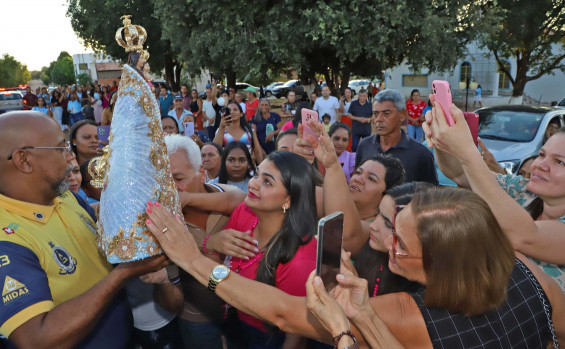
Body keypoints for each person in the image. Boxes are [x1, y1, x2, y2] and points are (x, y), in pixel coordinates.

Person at [0, 111, 167, 348]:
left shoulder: (65, 196)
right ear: (24, 160)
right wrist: (124, 274)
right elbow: (35, 339)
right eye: (59, 149)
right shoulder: (7, 239)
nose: (70, 157)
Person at [424, 100, 565, 292]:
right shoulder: (523, 191)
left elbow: (523, 235)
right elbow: (460, 174)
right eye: (541, 155)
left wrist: (468, 152)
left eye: (559, 162)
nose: (540, 165)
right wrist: (443, 141)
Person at [143, 134, 245, 349]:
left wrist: (189, 200)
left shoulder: (228, 195)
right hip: (196, 319)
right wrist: (162, 283)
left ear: (201, 173)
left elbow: (238, 199)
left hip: (245, 312)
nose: (170, 191)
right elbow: (173, 302)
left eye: (178, 179)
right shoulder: (161, 224)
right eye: (163, 182)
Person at [356, 89, 438, 185]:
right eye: (375, 114)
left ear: (402, 115)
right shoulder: (364, 146)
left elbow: (429, 195)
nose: (378, 119)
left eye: (386, 113)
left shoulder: (422, 154)